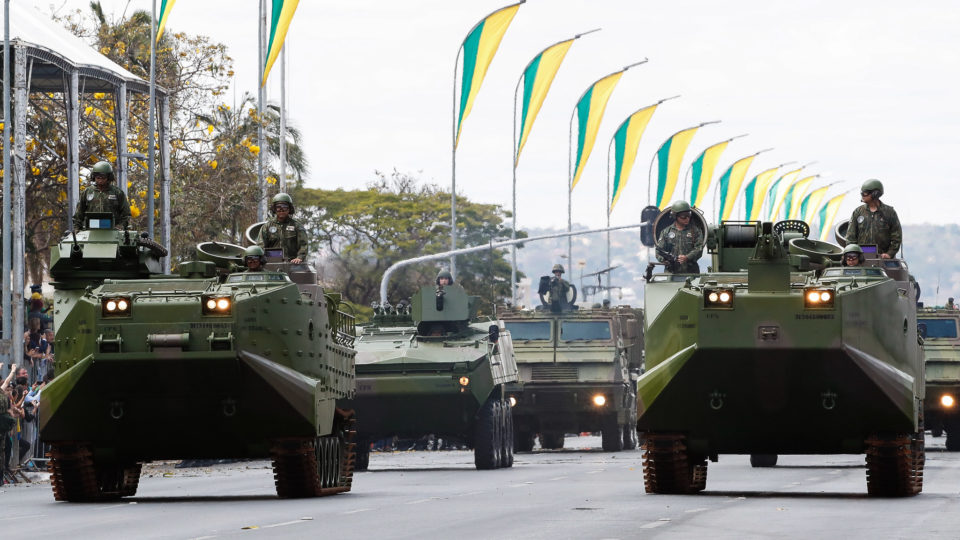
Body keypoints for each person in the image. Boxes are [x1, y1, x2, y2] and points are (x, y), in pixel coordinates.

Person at [844, 179, 902, 259]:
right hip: (862, 259)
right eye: (862, 193)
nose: (862, 195)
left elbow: (896, 236)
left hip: (883, 259)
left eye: (865, 193)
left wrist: (889, 253)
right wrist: (854, 254)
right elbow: (850, 237)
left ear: (875, 194)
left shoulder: (889, 212)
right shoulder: (858, 212)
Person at [72, 161, 131, 230]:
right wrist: (77, 228)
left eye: (103, 178)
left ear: (109, 177)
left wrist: (120, 226)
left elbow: (126, 214)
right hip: (91, 232)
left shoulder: (117, 193)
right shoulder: (87, 192)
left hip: (112, 231)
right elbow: (79, 213)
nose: (100, 180)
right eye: (98, 178)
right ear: (94, 177)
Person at [257, 193, 308, 264]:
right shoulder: (267, 226)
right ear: (274, 209)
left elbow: (303, 245)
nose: (281, 210)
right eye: (278, 207)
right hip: (271, 263)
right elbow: (260, 246)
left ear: (289, 209)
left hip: (292, 264)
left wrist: (299, 258)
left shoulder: (297, 226)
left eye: (284, 207)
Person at [656, 201, 704, 273]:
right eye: (683, 217)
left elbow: (699, 248)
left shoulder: (696, 231)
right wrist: (664, 260)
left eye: (688, 216)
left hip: (691, 272)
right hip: (671, 273)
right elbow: (658, 251)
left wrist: (687, 257)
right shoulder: (666, 232)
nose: (687, 219)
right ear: (675, 216)